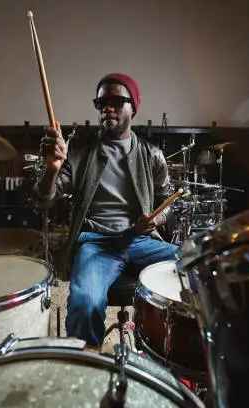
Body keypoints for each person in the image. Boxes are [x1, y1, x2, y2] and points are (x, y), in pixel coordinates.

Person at [34, 73, 178, 347]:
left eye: (115, 101)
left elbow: (169, 204)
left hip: (140, 240)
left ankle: (166, 349)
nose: (107, 108)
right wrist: (51, 168)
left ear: (133, 107)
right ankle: (86, 364)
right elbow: (44, 199)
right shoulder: (78, 150)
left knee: (193, 264)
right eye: (101, 103)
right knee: (86, 304)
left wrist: (156, 218)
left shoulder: (152, 155)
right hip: (96, 243)